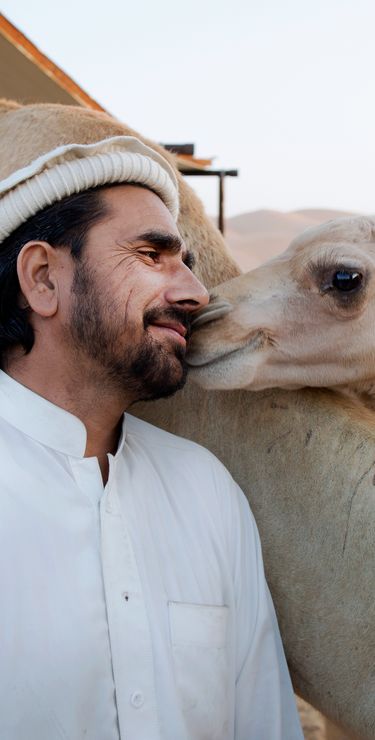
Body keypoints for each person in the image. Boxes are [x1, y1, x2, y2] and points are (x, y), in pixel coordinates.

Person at [0, 100, 303, 740]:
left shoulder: (206, 490)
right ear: (42, 279)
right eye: (151, 255)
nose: (195, 292)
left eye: (185, 260)